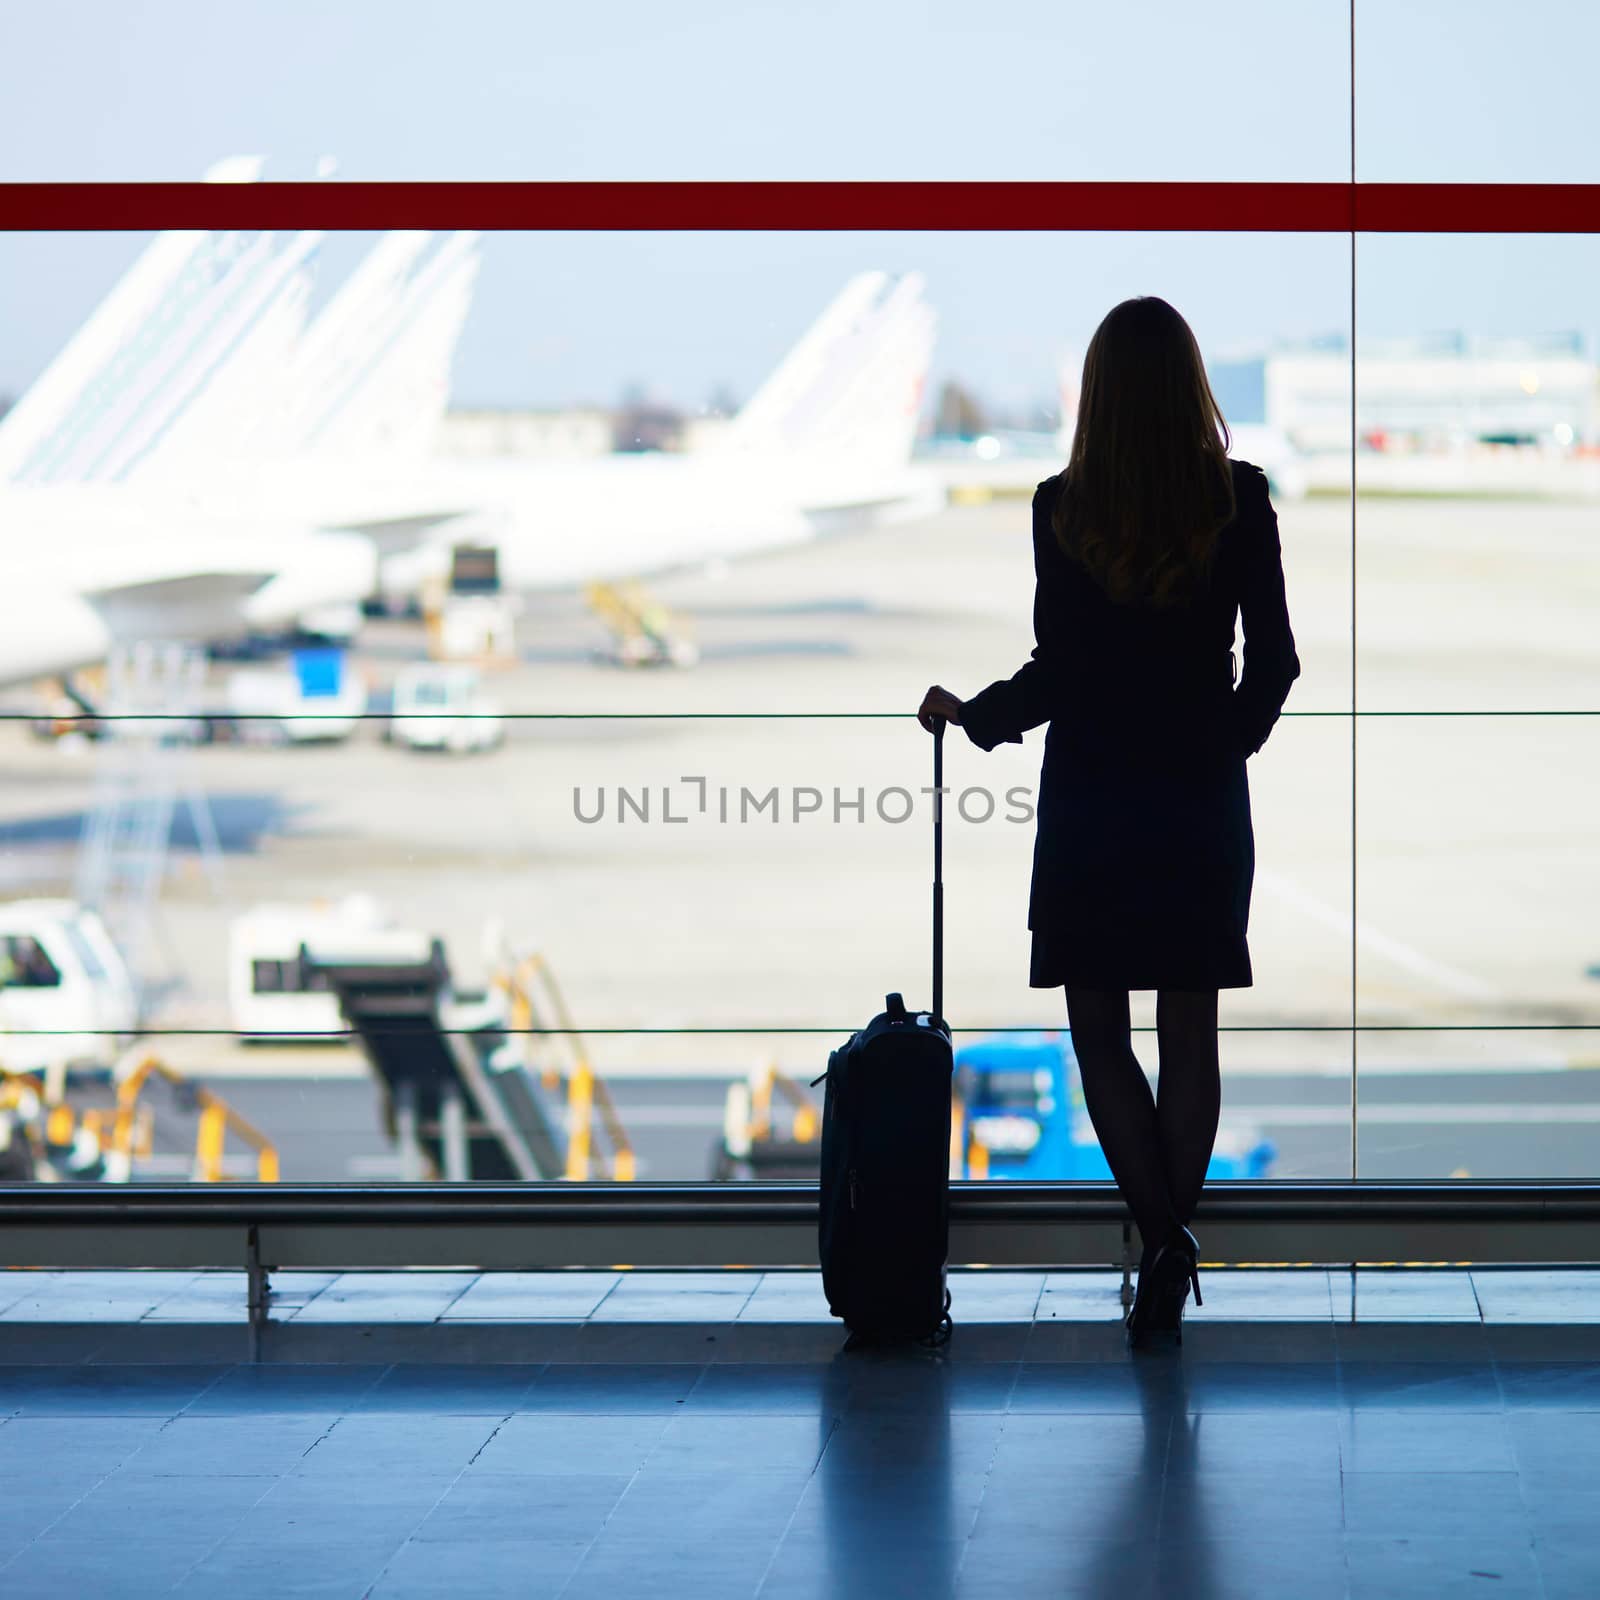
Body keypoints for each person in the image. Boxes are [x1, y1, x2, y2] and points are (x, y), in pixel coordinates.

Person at [918, 296, 1299, 1347]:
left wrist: (976, 716)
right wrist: (1223, 745)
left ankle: (1162, 1241)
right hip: (1197, 801)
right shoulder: (1239, 500)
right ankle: (1169, 1253)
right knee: (1190, 1030)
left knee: (1099, 1032)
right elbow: (1274, 663)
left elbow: (1061, 670)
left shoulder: (1061, 506)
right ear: (1189, 385)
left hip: (1093, 799)